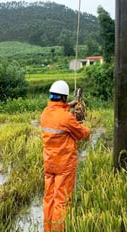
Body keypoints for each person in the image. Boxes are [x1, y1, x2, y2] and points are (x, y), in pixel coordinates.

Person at [41, 80, 90, 232]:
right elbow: (83, 134)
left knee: (49, 198)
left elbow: (58, 112)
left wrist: (70, 105)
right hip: (64, 166)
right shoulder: (66, 118)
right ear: (63, 97)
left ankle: (48, 229)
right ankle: (58, 229)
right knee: (61, 201)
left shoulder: (45, 113)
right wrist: (81, 120)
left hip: (49, 164)